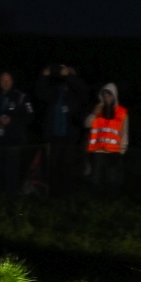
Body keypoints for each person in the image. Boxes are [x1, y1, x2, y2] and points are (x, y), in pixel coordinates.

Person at [36, 64, 90, 196]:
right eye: (65, 72)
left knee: (67, 166)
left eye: (70, 72)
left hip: (70, 138)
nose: (66, 73)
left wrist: (69, 75)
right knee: (52, 166)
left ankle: (67, 196)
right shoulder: (56, 91)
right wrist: (44, 76)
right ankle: (53, 195)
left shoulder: (76, 94)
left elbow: (83, 89)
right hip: (54, 137)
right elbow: (41, 93)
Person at [0, 71, 33, 195]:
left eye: (8, 80)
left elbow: (30, 116)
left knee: (12, 169)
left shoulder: (21, 97)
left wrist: (12, 120)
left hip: (15, 140)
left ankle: (12, 196)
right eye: (3, 80)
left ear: (12, 81)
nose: (6, 83)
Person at [84, 83, 129, 195]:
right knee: (96, 178)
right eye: (105, 96)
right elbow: (87, 124)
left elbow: (124, 132)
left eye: (109, 95)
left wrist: (122, 150)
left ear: (114, 96)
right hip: (98, 150)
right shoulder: (98, 109)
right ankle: (95, 200)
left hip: (114, 151)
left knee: (111, 179)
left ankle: (110, 200)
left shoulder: (122, 111)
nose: (107, 98)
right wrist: (94, 112)